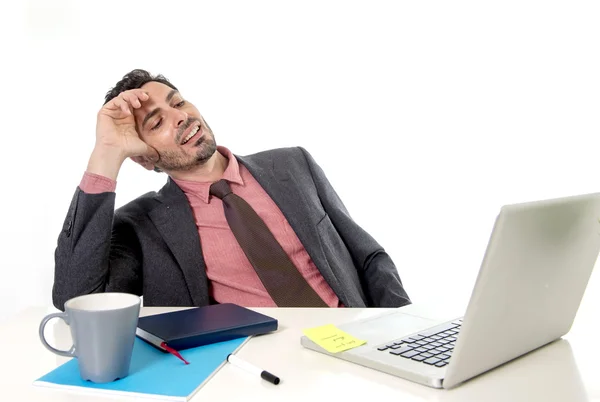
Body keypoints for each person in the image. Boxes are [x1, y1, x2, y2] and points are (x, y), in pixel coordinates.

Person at [52, 69, 411, 310]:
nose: (180, 117)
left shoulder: (292, 165)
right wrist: (106, 154)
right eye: (157, 121)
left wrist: (399, 332)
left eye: (178, 103)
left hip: (352, 348)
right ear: (145, 158)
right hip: (250, 375)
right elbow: (76, 298)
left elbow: (368, 257)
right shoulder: (139, 224)